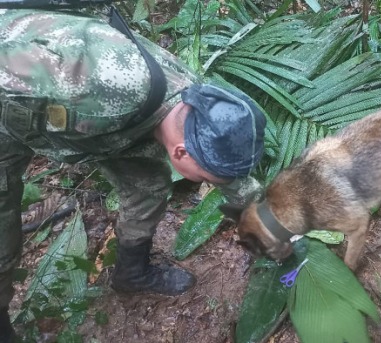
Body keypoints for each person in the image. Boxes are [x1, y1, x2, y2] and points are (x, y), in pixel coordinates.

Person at [0, 8, 266, 342]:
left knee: (149, 186)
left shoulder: (195, 105)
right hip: (11, 100)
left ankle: (131, 272)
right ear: (180, 152)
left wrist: (269, 221)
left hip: (96, 124)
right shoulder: (104, 92)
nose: (209, 183)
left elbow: (229, 172)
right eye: (207, 178)